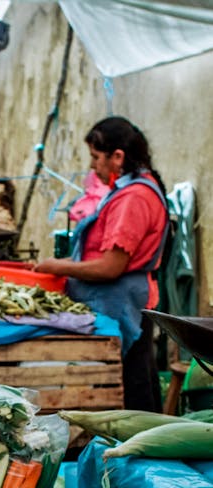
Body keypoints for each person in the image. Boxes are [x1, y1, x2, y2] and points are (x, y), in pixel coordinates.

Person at [34, 117, 169, 411]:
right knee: (136, 379)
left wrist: (59, 267)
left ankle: (138, 449)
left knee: (131, 389)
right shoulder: (134, 187)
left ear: (117, 156)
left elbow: (110, 267)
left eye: (96, 157)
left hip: (122, 304)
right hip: (126, 301)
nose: (93, 166)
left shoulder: (133, 198)